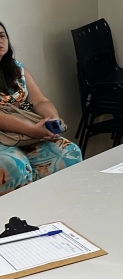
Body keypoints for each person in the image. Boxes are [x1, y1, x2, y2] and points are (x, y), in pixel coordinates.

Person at [0, 21, 82, 196]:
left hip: (24, 133)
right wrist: (32, 130)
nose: (0, 41)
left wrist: (52, 118)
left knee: (68, 152)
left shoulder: (16, 69)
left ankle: (58, 204)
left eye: (2, 36)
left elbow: (40, 101)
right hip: (9, 135)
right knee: (15, 165)